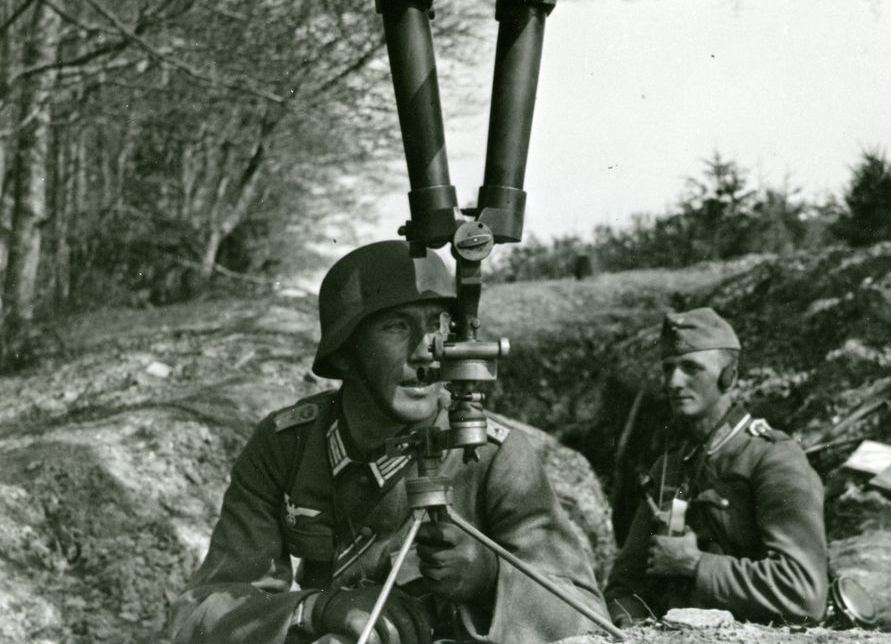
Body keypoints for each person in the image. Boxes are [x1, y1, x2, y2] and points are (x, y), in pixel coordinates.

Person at [170, 240, 607, 644]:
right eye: (397, 327)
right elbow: (199, 612)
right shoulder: (287, 445)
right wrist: (317, 609)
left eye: (438, 325)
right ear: (345, 352)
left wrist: (491, 580)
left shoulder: (490, 454)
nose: (426, 352)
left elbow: (588, 617)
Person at [604, 307, 828, 626]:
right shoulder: (668, 469)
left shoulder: (774, 458)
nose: (674, 382)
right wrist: (633, 626)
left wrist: (695, 564)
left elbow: (804, 592)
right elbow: (623, 586)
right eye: (668, 369)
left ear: (730, 376)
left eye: (690, 367)